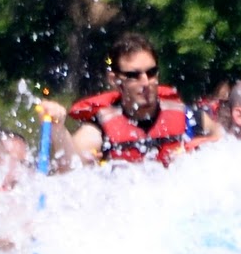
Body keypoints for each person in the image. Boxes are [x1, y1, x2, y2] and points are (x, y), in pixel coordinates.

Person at [52, 32, 221, 166]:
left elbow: (231, 150)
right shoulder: (98, 130)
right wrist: (58, 130)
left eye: (151, 72)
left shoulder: (193, 120)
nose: (145, 82)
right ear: (115, 80)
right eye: (134, 75)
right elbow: (68, 169)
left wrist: (204, 151)